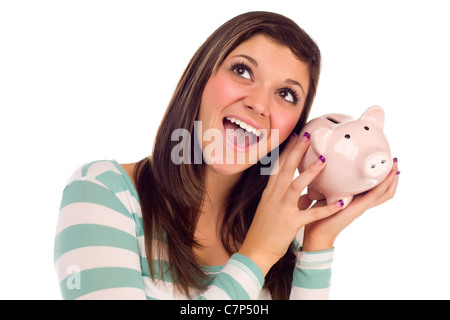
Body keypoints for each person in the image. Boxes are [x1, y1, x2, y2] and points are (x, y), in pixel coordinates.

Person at [54, 11, 399, 300]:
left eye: (285, 93)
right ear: (201, 76)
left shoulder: (280, 230)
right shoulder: (103, 193)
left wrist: (317, 243)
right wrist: (257, 255)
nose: (259, 104)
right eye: (242, 71)